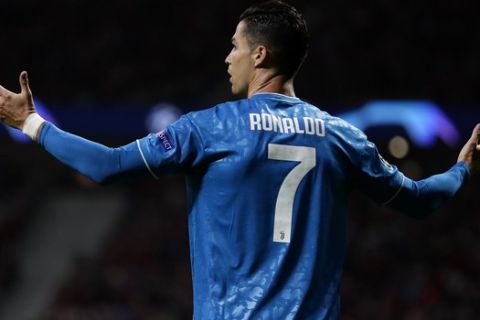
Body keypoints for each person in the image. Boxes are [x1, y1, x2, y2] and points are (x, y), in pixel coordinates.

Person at [0, 1, 479, 319]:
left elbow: (105, 167)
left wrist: (30, 124)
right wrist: (461, 170)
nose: (228, 58)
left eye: (235, 46)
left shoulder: (211, 127)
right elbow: (419, 200)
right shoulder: (341, 137)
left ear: (261, 54)